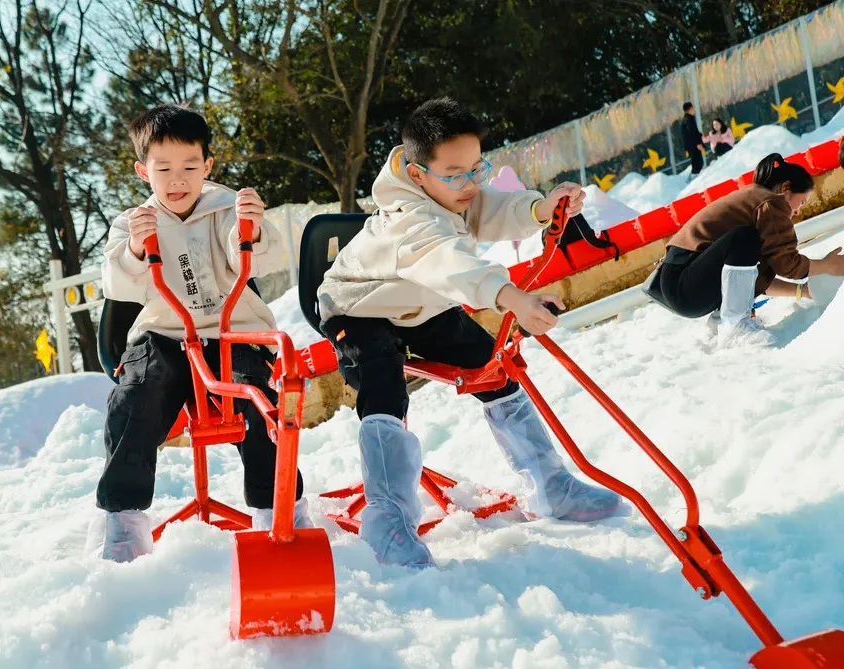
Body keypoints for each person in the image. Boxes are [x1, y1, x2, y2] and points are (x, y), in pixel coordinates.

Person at [316, 98, 622, 570]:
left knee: (493, 365)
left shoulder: (453, 191)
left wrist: (542, 208)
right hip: (358, 309)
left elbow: (493, 209)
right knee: (382, 384)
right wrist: (512, 297)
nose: (470, 184)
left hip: (420, 303)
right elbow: (452, 263)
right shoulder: (410, 220)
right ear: (418, 174)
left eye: (477, 169)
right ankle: (387, 515)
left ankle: (550, 483)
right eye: (456, 174)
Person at [89, 105, 308, 563]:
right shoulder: (132, 222)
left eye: (190, 166)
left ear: (207, 166)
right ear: (142, 170)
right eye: (163, 168)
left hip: (231, 331)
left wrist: (250, 227)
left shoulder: (225, 205)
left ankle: (279, 511)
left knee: (260, 399)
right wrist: (133, 248)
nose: (178, 179)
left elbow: (256, 258)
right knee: (136, 396)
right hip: (167, 333)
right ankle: (124, 523)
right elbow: (118, 286)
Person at [659, 153, 844, 348]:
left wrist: (802, 291)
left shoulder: (754, 201)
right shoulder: (770, 202)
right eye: (802, 202)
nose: (798, 211)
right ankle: (736, 324)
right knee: (745, 238)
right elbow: (787, 264)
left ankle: (723, 320)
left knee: (754, 247)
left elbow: (749, 276)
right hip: (683, 283)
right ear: (785, 189)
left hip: (682, 286)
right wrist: (827, 266)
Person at [681, 102, 705, 177]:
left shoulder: (686, 119)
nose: (694, 109)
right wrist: (698, 143)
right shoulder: (689, 119)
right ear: (690, 109)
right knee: (698, 162)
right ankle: (694, 179)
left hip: (691, 145)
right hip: (693, 145)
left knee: (697, 162)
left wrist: (700, 135)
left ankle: (694, 177)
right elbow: (692, 133)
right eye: (692, 108)